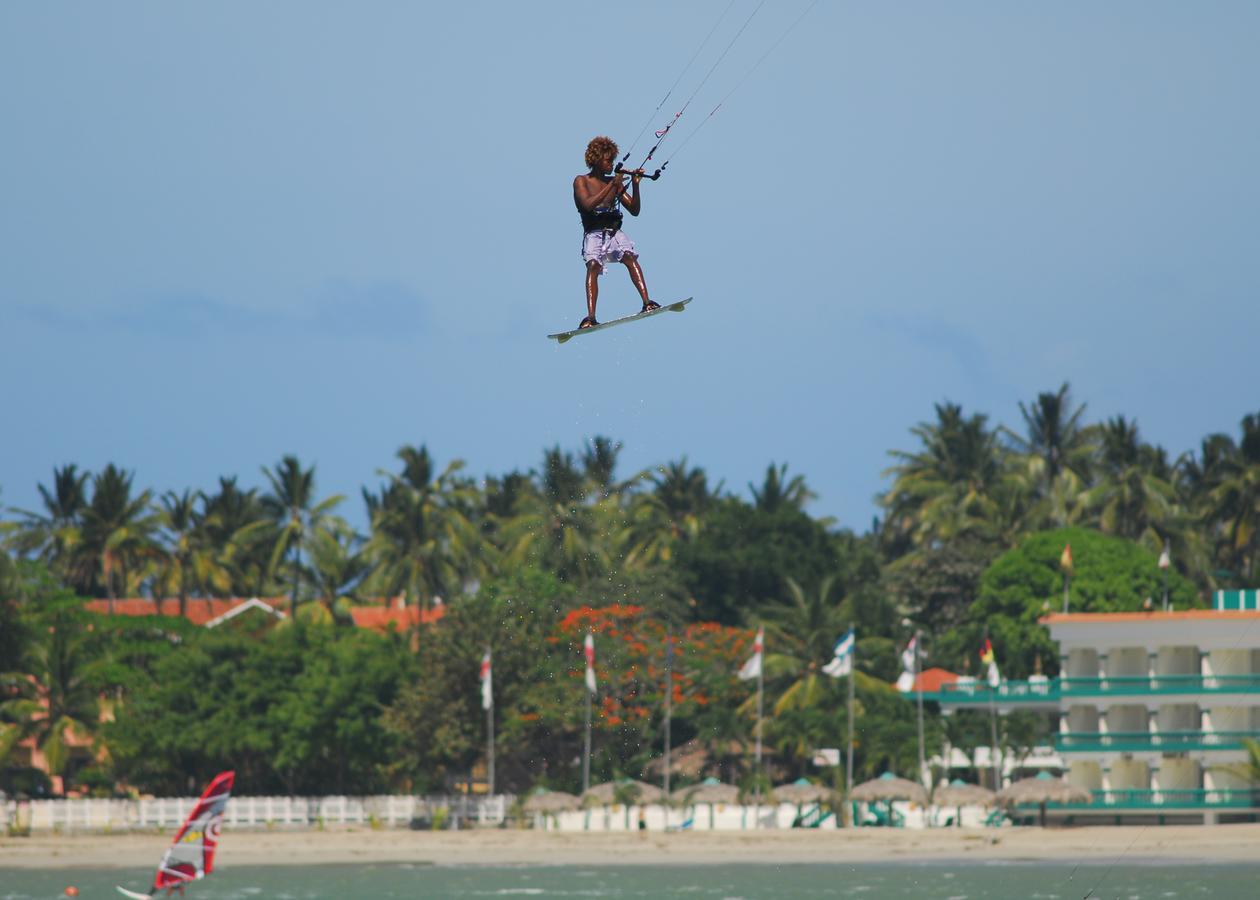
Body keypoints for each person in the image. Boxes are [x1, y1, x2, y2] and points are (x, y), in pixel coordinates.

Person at [573, 135, 658, 328]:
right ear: (596, 160)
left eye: (612, 160)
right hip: (593, 233)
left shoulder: (615, 182)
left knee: (630, 257)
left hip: (613, 232)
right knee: (593, 266)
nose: (612, 164)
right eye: (607, 160)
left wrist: (635, 185)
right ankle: (590, 318)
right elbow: (587, 205)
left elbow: (634, 210)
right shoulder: (581, 181)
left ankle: (647, 303)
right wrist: (613, 184)